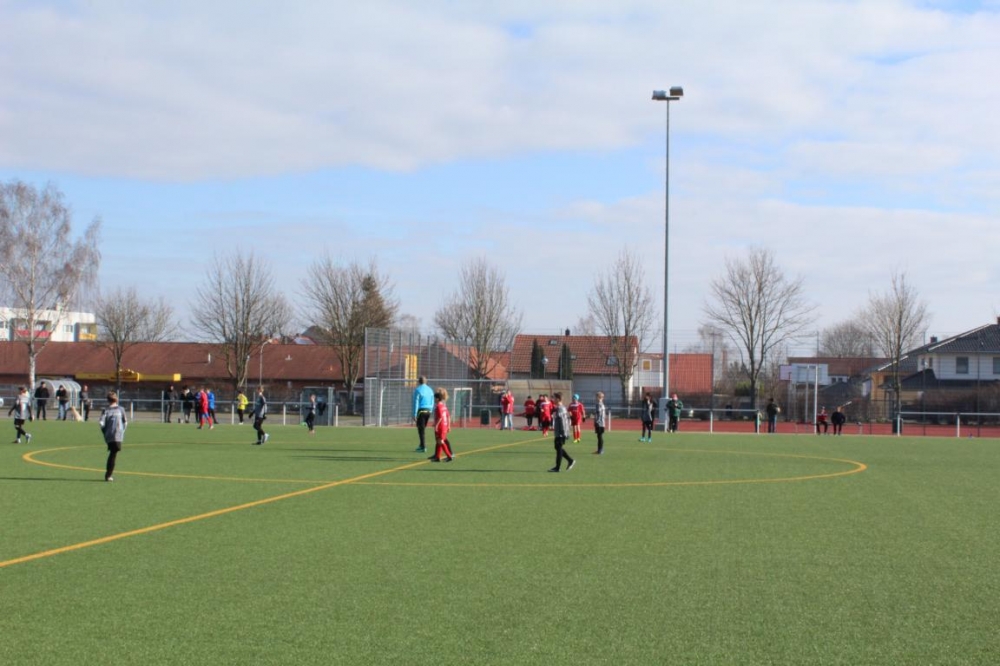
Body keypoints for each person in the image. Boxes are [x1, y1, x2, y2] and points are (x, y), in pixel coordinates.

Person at [99, 391, 127, 482]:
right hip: (116, 434)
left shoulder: (108, 410)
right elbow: (125, 422)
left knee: (114, 452)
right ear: (116, 399)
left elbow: (101, 423)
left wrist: (105, 432)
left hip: (110, 434)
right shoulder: (119, 409)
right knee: (114, 452)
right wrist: (122, 431)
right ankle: (108, 475)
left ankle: (108, 474)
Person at [548, 392, 575, 472]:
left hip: (561, 432)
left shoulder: (560, 408)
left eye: (554, 398)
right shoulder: (559, 408)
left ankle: (558, 467)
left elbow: (563, 422)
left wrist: (563, 433)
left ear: (558, 399)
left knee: (558, 448)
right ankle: (569, 461)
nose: (553, 400)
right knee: (558, 447)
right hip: (559, 432)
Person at [429, 388, 454, 462]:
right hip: (444, 426)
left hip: (441, 427)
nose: (434, 399)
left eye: (434, 398)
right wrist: (448, 425)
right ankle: (437, 457)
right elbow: (447, 416)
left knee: (441, 441)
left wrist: (436, 425)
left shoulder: (438, 407)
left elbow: (440, 417)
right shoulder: (443, 406)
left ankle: (449, 456)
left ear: (437, 399)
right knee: (439, 441)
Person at [412, 376, 434, 453]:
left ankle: (423, 447)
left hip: (421, 411)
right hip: (429, 411)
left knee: (421, 429)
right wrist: (431, 410)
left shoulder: (418, 390)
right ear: (426, 381)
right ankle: (421, 445)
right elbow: (432, 401)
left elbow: (416, 402)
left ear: (419, 381)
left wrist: (414, 414)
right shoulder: (430, 389)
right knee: (423, 428)